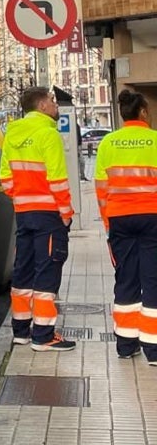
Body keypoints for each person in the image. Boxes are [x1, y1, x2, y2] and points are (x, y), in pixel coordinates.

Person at [0, 86, 75, 351]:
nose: (56, 105)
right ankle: (43, 335)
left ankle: (21, 331)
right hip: (48, 214)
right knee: (47, 271)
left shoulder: (12, 134)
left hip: (24, 213)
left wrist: (21, 197)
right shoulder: (48, 135)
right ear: (42, 106)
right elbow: (57, 180)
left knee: (23, 269)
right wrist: (66, 214)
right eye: (52, 101)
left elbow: (5, 177)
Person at [94, 89, 157, 362]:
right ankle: (153, 348)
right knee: (153, 279)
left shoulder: (108, 143)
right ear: (143, 112)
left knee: (126, 277)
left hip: (120, 218)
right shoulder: (155, 140)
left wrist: (109, 222)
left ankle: (126, 343)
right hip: (152, 217)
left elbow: (101, 188)